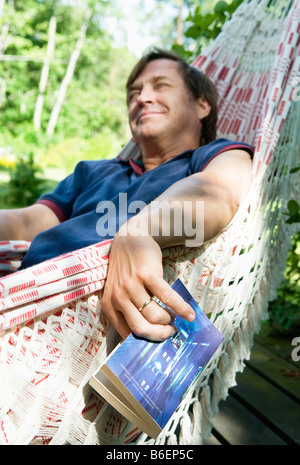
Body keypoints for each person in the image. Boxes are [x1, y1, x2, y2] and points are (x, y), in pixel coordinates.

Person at [0, 49, 253, 342]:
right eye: (134, 92)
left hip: (75, 324)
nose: (142, 98)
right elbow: (29, 220)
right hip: (20, 289)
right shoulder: (94, 171)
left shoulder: (213, 156)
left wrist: (138, 231)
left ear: (202, 105)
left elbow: (220, 193)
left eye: (160, 86)